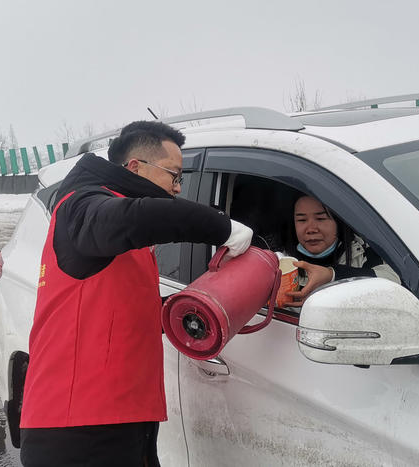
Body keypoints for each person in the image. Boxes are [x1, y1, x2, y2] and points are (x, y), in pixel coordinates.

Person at [19, 121, 252, 467]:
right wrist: (223, 228)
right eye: (174, 176)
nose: (176, 189)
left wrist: (183, 309)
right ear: (135, 167)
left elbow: (119, 307)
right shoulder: (82, 207)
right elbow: (132, 219)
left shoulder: (116, 234)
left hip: (122, 418)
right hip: (77, 430)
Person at [285, 195, 400, 306]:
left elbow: (392, 283)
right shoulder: (280, 261)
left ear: (338, 221)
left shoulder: (361, 251)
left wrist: (332, 275)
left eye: (320, 218)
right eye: (302, 220)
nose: (311, 229)